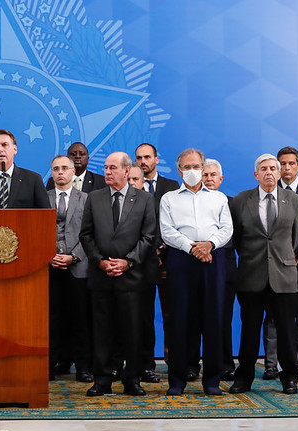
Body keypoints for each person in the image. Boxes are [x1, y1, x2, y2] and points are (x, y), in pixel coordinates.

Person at [79, 151, 156, 396]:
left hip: (131, 278)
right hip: (101, 277)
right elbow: (86, 234)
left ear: (126, 170)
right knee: (102, 331)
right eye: (105, 167)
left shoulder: (144, 199)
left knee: (132, 331)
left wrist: (127, 262)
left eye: (113, 168)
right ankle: (102, 380)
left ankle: (131, 379)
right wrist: (100, 262)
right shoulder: (94, 197)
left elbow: (149, 237)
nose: (107, 172)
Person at [159, 149, 232, 395]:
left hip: (212, 258)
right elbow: (167, 231)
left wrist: (209, 245)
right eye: (187, 167)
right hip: (181, 259)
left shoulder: (218, 198)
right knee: (179, 320)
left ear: (203, 168)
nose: (192, 171)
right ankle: (177, 382)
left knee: (213, 320)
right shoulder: (169, 198)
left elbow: (227, 228)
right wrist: (192, 248)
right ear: (179, 170)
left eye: (196, 166)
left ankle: (212, 381)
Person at [229, 153, 298, 395]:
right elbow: (236, 238)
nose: (269, 172)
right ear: (256, 174)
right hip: (251, 275)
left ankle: (289, 377)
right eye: (264, 169)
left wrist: (283, 258)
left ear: (279, 173)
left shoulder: (294, 200)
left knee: (286, 330)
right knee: (249, 330)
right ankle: (244, 378)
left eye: (273, 168)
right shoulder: (241, 201)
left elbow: (293, 237)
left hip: (284, 275)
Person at [262, 146, 298, 381]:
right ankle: (271, 364)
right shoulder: (268, 191)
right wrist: (283, 255)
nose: (286, 167)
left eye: (291, 163)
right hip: (275, 263)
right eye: (282, 163)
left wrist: (295, 252)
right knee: (272, 314)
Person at [135, 142, 179, 383]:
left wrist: (162, 247)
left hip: (169, 260)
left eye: (147, 157)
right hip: (142, 262)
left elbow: (175, 221)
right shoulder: (132, 187)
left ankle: (176, 363)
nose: (143, 162)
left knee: (172, 314)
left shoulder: (171, 186)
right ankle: (146, 365)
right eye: (139, 158)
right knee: (144, 316)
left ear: (156, 159)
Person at [47, 155, 92, 383]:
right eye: (56, 169)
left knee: (80, 320)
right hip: (49, 268)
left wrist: (73, 257)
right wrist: (49, 256)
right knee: (51, 320)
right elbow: (36, 231)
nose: (60, 172)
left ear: (73, 172)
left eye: (65, 168)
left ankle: (83, 367)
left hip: (78, 267)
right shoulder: (42, 198)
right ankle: (50, 366)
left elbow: (90, 233)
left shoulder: (86, 199)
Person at [201, 158, 237, 381]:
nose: (209, 179)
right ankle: (192, 364)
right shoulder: (191, 202)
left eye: (213, 175)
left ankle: (225, 365)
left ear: (221, 179)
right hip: (196, 265)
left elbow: (240, 237)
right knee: (194, 318)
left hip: (225, 266)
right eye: (205, 174)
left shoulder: (233, 204)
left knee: (223, 319)